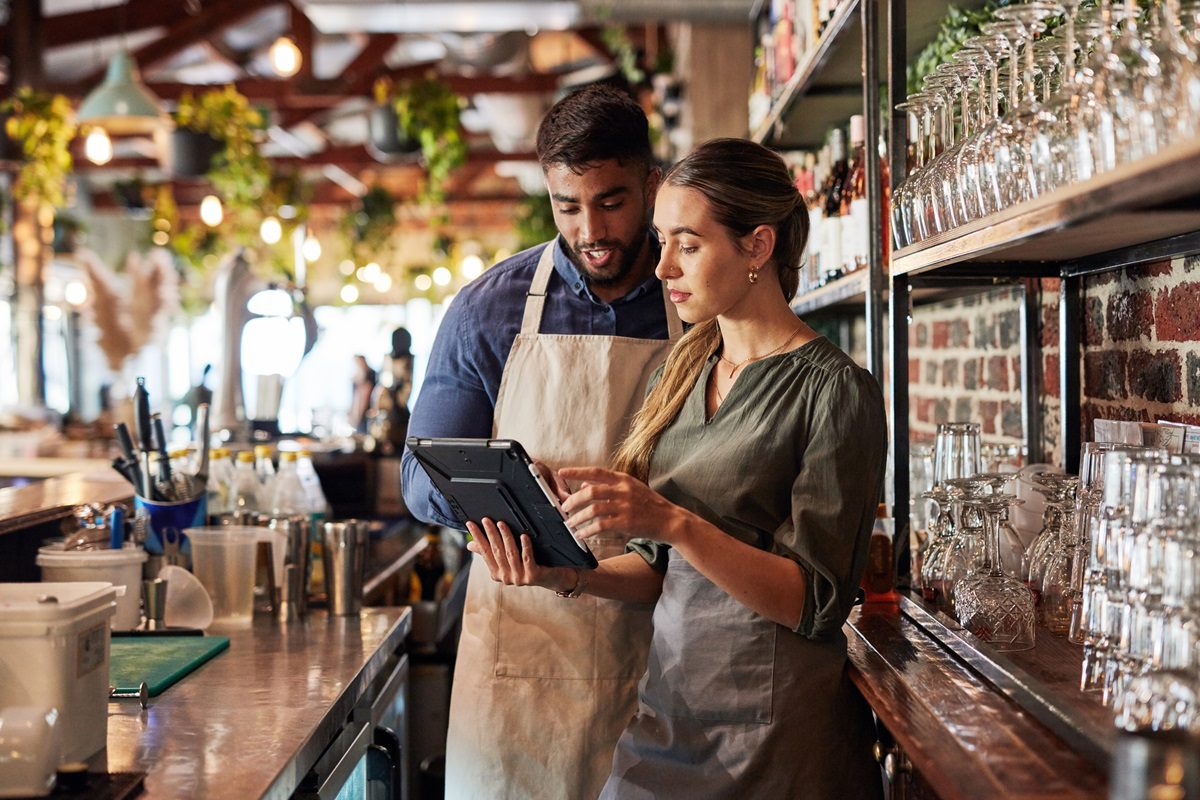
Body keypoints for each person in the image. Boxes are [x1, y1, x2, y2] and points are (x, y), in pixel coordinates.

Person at [466, 138, 888, 798]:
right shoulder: (681, 369)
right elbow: (656, 569)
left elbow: (817, 603)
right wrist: (566, 573)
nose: (662, 267)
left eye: (686, 244)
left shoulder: (834, 390)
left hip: (773, 734)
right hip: (668, 711)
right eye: (661, 241)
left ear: (757, 246)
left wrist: (672, 520)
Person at [400, 83, 682, 800]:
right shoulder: (489, 308)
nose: (591, 229)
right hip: (520, 660)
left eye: (612, 202)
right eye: (568, 207)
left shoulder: (694, 301)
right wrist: (508, 492)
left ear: (651, 185)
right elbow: (418, 474)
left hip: (665, 654)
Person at [349, 355, 376, 433]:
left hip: (366, 415)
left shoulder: (370, 375)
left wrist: (356, 417)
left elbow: (365, 397)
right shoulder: (357, 378)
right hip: (359, 414)